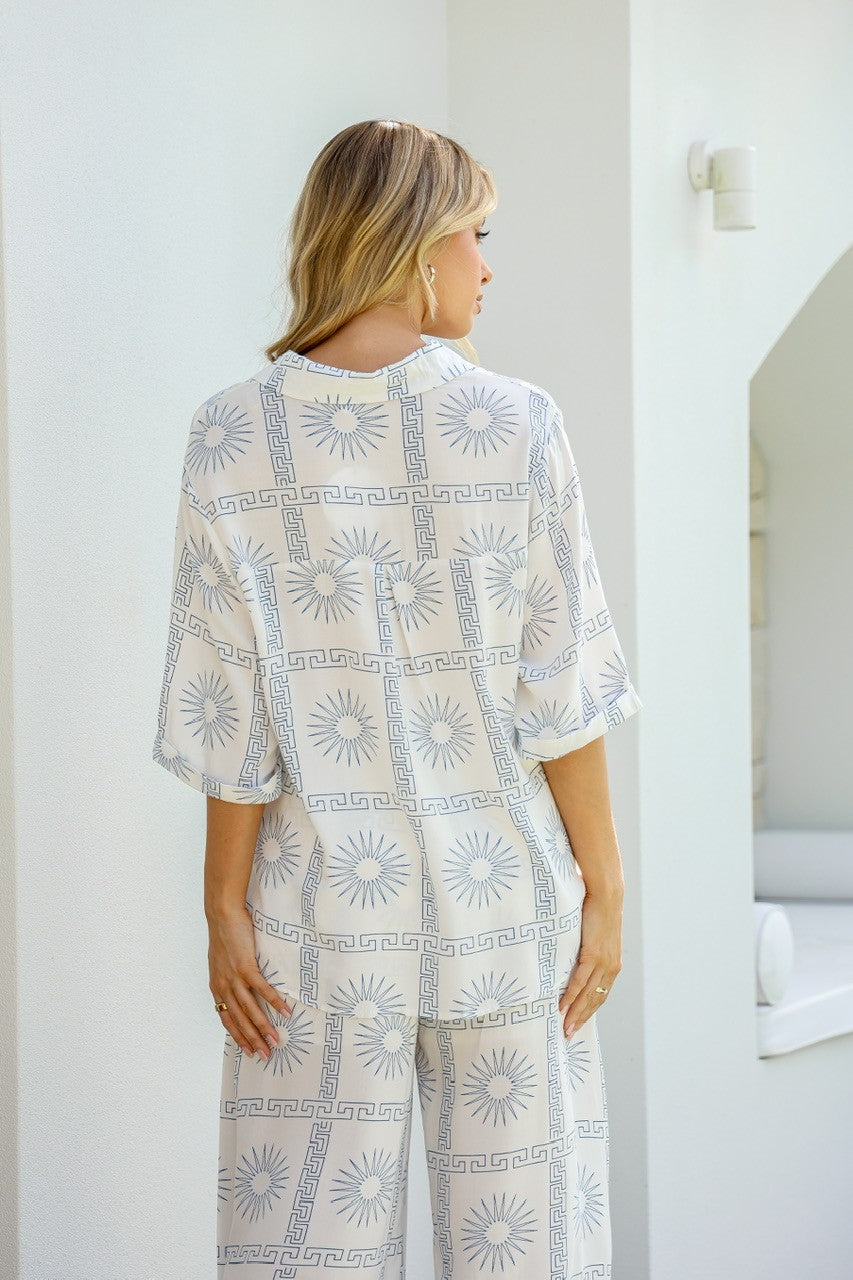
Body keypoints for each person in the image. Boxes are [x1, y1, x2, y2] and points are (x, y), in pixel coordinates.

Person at [152, 118, 642, 1278]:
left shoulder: (230, 433)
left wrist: (223, 908)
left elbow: (229, 718)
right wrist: (606, 889)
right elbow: (559, 694)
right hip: (506, 914)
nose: (487, 267)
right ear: (415, 243)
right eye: (478, 235)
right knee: (529, 1254)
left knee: (299, 1253)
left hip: (313, 929)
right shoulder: (518, 424)